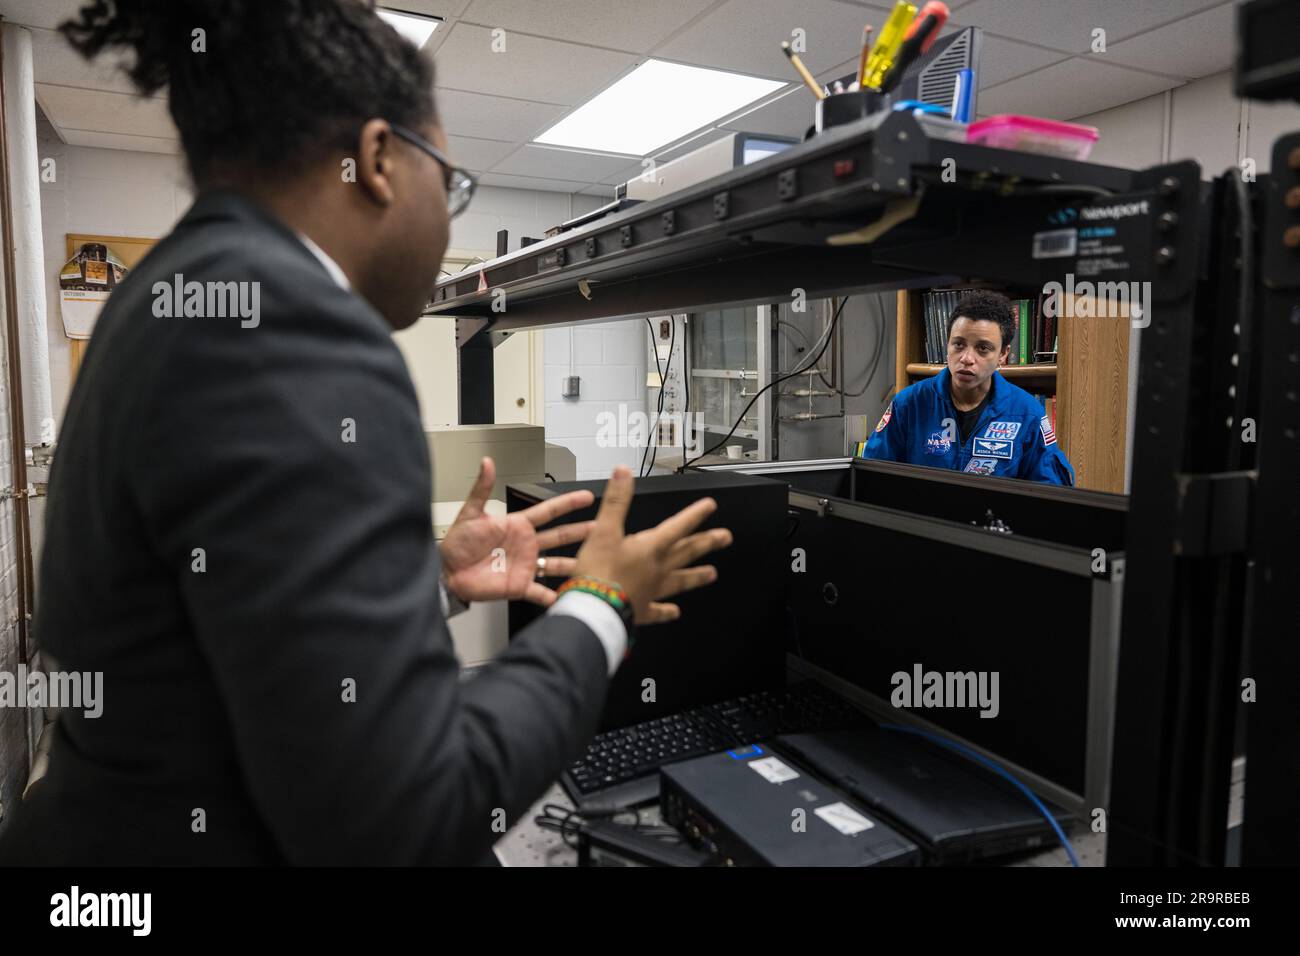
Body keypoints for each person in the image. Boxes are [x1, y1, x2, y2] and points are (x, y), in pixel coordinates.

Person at [0, 0, 730, 865]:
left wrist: (427, 581)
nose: (448, 217)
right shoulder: (301, 329)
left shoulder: (172, 292)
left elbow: (238, 643)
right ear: (380, 158)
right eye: (451, 184)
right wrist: (601, 605)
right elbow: (405, 818)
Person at [860, 289, 1074, 485]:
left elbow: (1051, 492)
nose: (966, 358)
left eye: (982, 348)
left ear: (1003, 354)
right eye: (959, 344)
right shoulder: (908, 403)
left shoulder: (1027, 413)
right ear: (948, 345)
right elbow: (873, 477)